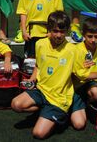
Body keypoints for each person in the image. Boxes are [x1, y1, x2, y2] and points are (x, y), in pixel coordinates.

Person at [10, 11, 76, 139]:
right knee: (15, 104)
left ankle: (60, 115)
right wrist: (32, 79)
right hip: (41, 90)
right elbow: (38, 66)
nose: (58, 35)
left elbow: (82, 72)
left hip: (58, 99)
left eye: (62, 32)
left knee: (38, 134)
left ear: (67, 31)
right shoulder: (40, 44)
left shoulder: (73, 50)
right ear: (49, 30)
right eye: (55, 31)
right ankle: (44, 112)